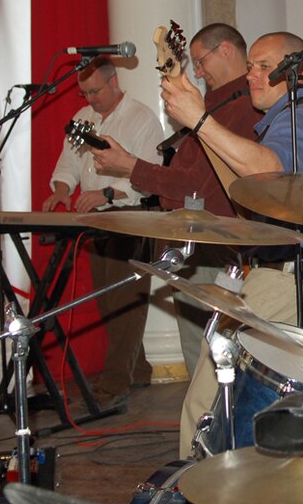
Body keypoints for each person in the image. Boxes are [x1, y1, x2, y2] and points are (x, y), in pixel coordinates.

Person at [163, 31, 303, 458]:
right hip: (296, 282)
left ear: (297, 72)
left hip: (285, 284)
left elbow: (269, 170)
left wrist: (199, 121)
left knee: (207, 403)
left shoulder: (297, 117)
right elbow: (257, 196)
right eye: (252, 67)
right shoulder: (297, 118)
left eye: (266, 67)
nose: (253, 76)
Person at [91, 23, 262, 376]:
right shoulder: (214, 107)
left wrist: (129, 166)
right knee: (201, 355)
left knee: (206, 358)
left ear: (226, 50)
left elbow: (197, 187)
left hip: (216, 246)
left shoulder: (242, 109)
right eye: (193, 65)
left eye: (200, 62)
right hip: (197, 243)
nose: (197, 71)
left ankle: (208, 425)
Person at [41, 58, 164, 409]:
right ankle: (138, 369)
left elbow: (149, 175)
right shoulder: (83, 119)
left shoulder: (142, 119)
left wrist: (108, 192)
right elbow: (68, 163)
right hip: (98, 219)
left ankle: (114, 384)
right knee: (109, 302)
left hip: (133, 216)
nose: (91, 98)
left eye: (95, 91)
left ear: (114, 82)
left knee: (126, 301)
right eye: (85, 92)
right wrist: (63, 188)